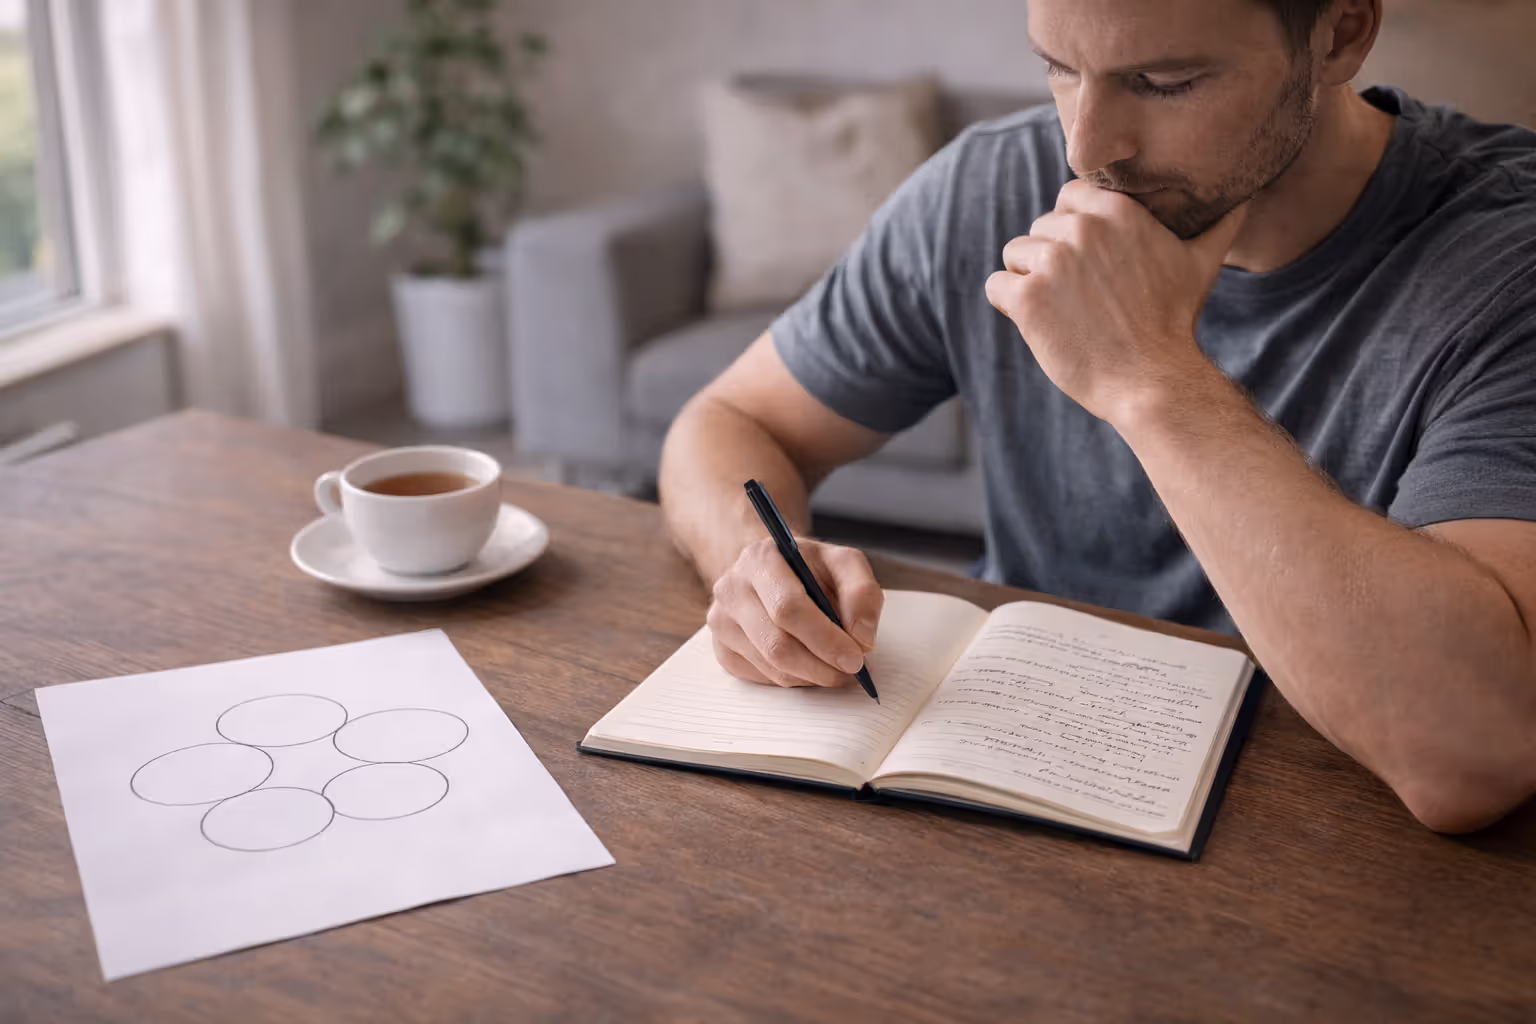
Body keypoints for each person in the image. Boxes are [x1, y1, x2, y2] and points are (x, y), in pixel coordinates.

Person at [657, 0, 1536, 833]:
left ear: (1343, 31)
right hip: (995, 789)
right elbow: (730, 419)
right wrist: (756, 563)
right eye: (1059, 67)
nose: (1086, 150)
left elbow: (1472, 755)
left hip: (1333, 852)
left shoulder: (1506, 260)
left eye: (1165, 83)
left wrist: (1150, 376)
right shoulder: (986, 187)